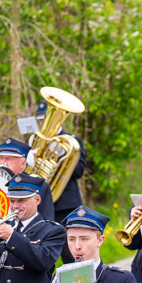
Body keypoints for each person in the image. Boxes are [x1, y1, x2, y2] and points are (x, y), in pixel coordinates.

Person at [33, 101, 87, 264]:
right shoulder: (35, 141)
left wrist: (61, 156)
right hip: (42, 205)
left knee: (72, 252)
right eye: (41, 120)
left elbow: (79, 172)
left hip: (66, 205)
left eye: (46, 119)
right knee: (42, 251)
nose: (43, 123)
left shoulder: (71, 141)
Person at [0, 137, 55, 221]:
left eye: (9, 158)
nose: (3, 162)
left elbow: (46, 223)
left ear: (23, 163)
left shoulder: (38, 186)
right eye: (1, 158)